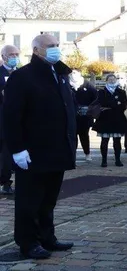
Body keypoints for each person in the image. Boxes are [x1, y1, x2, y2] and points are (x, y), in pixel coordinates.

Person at [3, 34, 76, 259]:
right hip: (33, 150)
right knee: (29, 200)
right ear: (36, 50)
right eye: (50, 46)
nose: (55, 49)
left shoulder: (60, 74)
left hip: (57, 147)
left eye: (57, 45)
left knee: (49, 198)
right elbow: (11, 115)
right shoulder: (23, 77)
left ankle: (47, 237)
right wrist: (17, 148)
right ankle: (28, 241)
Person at [92, 74, 127, 167]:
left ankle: (118, 160)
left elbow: (123, 106)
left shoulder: (121, 92)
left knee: (117, 141)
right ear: (106, 81)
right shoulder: (101, 92)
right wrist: (115, 104)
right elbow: (102, 103)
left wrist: (109, 106)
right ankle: (104, 160)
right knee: (104, 140)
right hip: (105, 119)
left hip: (117, 119)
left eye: (113, 79)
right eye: (110, 79)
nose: (112, 81)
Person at [0, 45, 20, 195]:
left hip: (15, 119)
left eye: (16, 54)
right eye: (11, 54)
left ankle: (6, 182)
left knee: (8, 152)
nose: (14, 56)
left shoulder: (21, 73)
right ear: (4, 56)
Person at [69, 70, 97, 163]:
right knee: (73, 136)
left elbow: (95, 98)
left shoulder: (87, 85)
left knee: (84, 135)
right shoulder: (67, 85)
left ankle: (87, 153)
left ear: (80, 74)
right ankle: (73, 155)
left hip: (85, 116)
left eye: (75, 73)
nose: (73, 75)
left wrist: (90, 109)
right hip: (72, 115)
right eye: (72, 73)